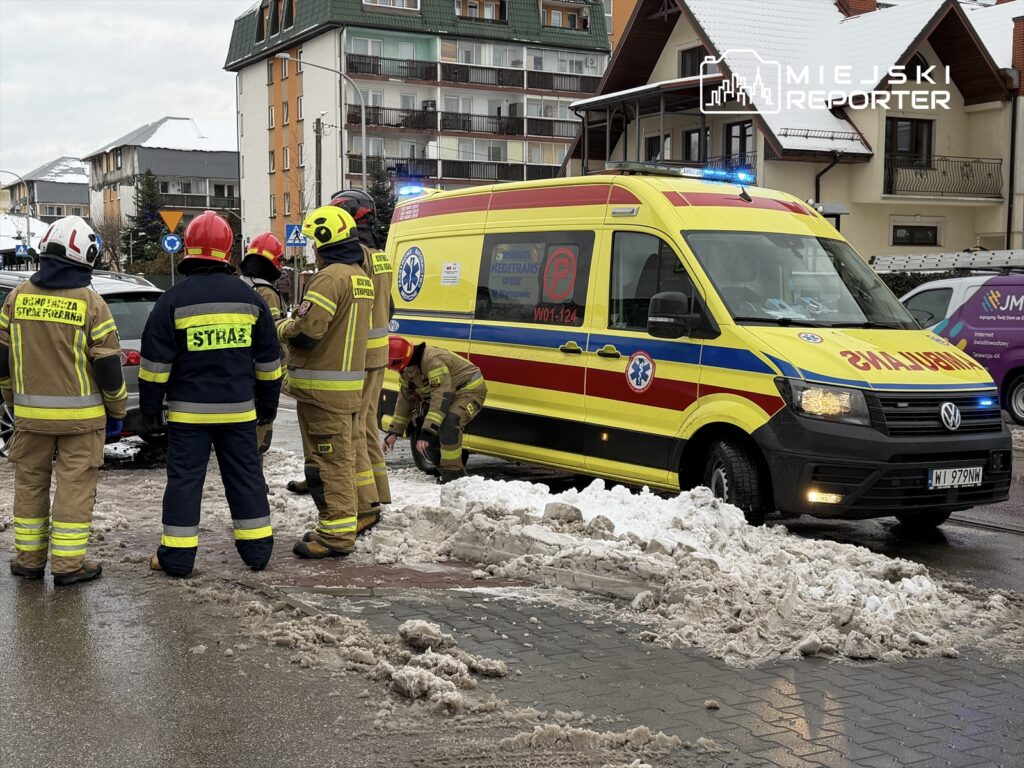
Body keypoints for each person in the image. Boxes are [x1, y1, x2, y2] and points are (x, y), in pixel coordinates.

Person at [139, 211, 282, 577]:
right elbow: (268, 363)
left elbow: (155, 365)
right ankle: (257, 552)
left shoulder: (171, 301)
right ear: (228, 251)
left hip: (189, 417)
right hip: (238, 413)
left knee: (185, 482)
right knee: (246, 478)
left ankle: (177, 558)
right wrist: (266, 407)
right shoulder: (251, 300)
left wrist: (151, 411)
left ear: (188, 248)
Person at [0, 215, 127, 585]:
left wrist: (10, 398)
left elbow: (0, 359)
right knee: (74, 488)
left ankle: (29, 561)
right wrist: (117, 410)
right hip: (81, 421)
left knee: (30, 485)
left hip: (28, 419)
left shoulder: (16, 297)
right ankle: (68, 567)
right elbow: (108, 368)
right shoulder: (91, 303)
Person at [287, 189, 394, 537]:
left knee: (351, 433)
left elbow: (332, 317)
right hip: (374, 353)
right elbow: (388, 306)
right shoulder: (379, 255)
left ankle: (361, 503)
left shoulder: (351, 262)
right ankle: (373, 495)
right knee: (364, 427)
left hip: (352, 357)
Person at [278, 205, 374, 559]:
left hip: (323, 394)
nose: (311, 251)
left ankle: (335, 536)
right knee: (342, 461)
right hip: (345, 389)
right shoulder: (358, 276)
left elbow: (308, 331)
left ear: (322, 241)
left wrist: (281, 327)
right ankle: (339, 525)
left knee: (328, 463)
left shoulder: (330, 278)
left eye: (312, 243)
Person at [383, 337, 486, 483]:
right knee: (424, 428)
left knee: (449, 423)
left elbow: (441, 398)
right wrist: (393, 432)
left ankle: (454, 477)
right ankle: (443, 470)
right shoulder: (406, 369)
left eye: (391, 364)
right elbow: (404, 401)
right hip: (445, 395)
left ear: (401, 359)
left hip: (468, 390)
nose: (389, 368)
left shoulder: (433, 362)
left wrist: (428, 432)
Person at [239, 231, 285, 455]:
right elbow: (274, 336)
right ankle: (255, 484)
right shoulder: (267, 293)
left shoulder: (239, 286)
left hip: (241, 371)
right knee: (259, 438)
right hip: (262, 375)